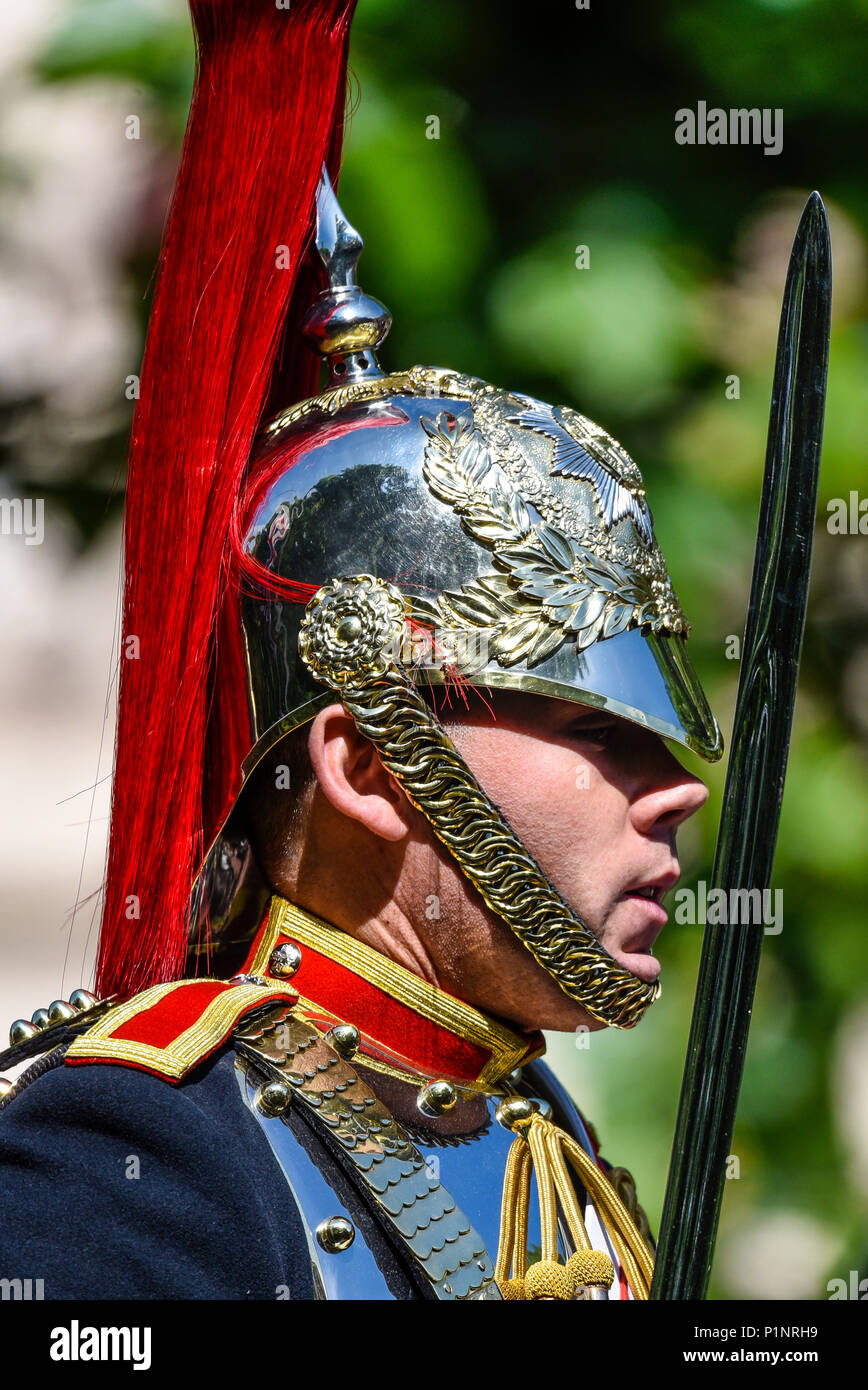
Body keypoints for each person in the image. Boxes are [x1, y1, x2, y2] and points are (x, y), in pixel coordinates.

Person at [0, 0, 721, 1302]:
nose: (674, 791)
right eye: (598, 731)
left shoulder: (522, 1114)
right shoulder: (142, 1149)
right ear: (369, 764)